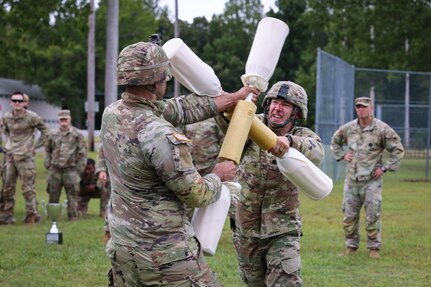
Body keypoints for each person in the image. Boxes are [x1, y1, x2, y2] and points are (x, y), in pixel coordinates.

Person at [101, 41, 259, 287]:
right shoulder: (160, 134)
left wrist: (228, 100)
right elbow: (195, 194)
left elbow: (177, 108)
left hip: (124, 247)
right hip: (165, 255)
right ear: (156, 82)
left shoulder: (113, 114)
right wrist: (219, 175)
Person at [218, 81, 324, 287]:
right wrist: (228, 103)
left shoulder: (302, 136)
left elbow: (317, 151)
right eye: (274, 102)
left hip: (282, 230)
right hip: (245, 229)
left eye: (285, 105)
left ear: (296, 113)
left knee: (286, 283)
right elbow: (225, 126)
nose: (277, 108)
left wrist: (290, 142)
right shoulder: (251, 123)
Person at [330, 97, 404, 259]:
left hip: (372, 180)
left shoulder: (382, 129)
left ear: (371, 108)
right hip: (351, 180)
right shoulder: (348, 128)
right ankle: (351, 246)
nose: (361, 109)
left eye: (364, 107)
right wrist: (343, 155)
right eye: (358, 107)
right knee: (349, 215)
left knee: (372, 214)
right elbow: (335, 141)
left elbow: (398, 149)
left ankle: (374, 247)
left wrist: (385, 167)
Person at [0, 91, 50, 225]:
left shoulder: (31, 117)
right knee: (7, 187)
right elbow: (4, 130)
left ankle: (31, 215)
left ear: (25, 103)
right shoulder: (6, 117)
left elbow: (45, 130)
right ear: (10, 102)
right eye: (14, 101)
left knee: (28, 188)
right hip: (10, 157)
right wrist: (8, 145)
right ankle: (7, 216)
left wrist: (35, 146)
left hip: (25, 158)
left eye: (19, 101)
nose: (17, 103)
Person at [44, 109, 87, 221]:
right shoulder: (52, 134)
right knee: (53, 194)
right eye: (61, 119)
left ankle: (72, 217)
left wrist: (79, 170)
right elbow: (48, 149)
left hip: (71, 170)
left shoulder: (77, 135)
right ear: (58, 121)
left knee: (73, 195)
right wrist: (48, 163)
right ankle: (53, 217)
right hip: (55, 169)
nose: (63, 122)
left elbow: (82, 153)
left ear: (70, 119)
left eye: (65, 119)